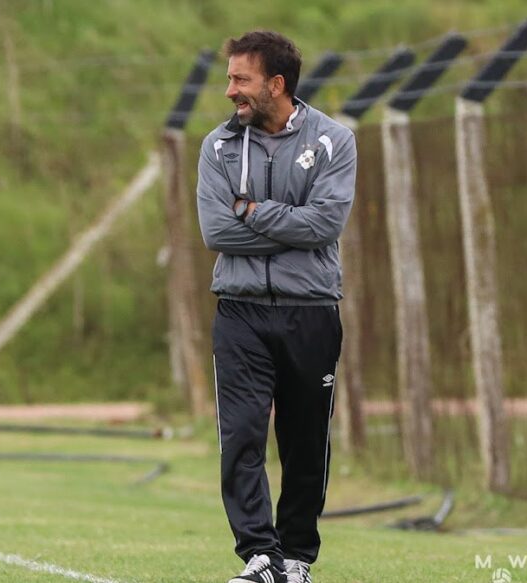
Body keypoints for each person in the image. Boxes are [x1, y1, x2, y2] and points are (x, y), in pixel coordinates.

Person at [195, 31, 356, 583]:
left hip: (310, 312)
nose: (229, 91)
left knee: (305, 441)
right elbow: (216, 230)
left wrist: (250, 211)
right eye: (229, 78)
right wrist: (285, 222)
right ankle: (259, 554)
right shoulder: (217, 146)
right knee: (240, 434)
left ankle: (297, 558)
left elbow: (325, 224)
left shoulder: (335, 140)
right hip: (238, 312)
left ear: (276, 84)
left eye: (241, 79)